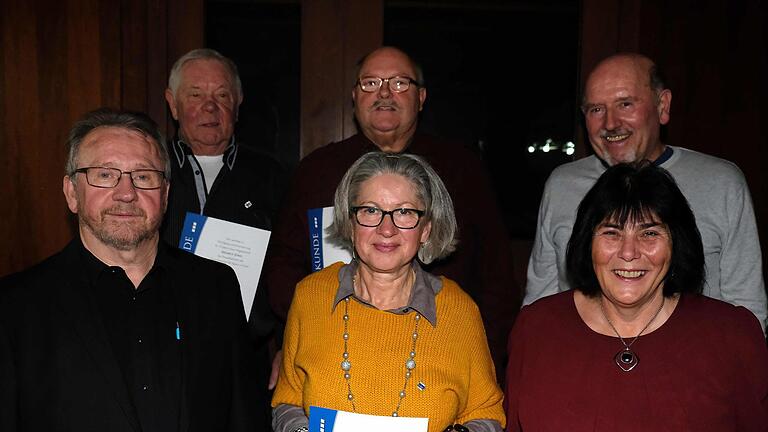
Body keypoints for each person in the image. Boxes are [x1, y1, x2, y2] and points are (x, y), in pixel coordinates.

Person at [0, 108, 263, 431]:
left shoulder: (215, 287)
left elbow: (244, 418)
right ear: (72, 193)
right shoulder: (15, 307)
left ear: (165, 194)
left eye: (143, 176)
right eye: (105, 174)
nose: (126, 193)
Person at [265, 46, 519, 379]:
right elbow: (284, 266)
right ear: (354, 97)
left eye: (399, 83)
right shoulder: (316, 171)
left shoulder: (463, 170)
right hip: (335, 351)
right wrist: (302, 337)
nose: (384, 93)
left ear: (422, 96)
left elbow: (497, 276)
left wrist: (485, 358)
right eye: (370, 83)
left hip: (438, 357)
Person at [505, 162, 768, 431]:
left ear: (676, 243)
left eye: (649, 233)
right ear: (587, 242)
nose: (629, 252)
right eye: (612, 233)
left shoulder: (732, 336)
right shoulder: (536, 330)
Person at [524, 53, 767, 331]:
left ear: (662, 106)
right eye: (596, 110)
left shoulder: (720, 182)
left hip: (690, 366)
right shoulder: (562, 185)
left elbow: (748, 310)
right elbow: (540, 298)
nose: (611, 123)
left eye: (625, 104)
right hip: (583, 364)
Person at [272, 152, 505, 432]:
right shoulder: (311, 296)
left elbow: (486, 410)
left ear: (426, 229)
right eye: (370, 210)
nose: (386, 229)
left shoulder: (458, 310)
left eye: (404, 212)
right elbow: (288, 398)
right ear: (351, 221)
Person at [162, 48, 284, 420]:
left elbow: (290, 267)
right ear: (173, 103)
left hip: (246, 357)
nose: (210, 107)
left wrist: (288, 346)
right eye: (196, 95)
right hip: (162, 350)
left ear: (238, 103)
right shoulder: (149, 170)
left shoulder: (272, 176)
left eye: (222, 95)